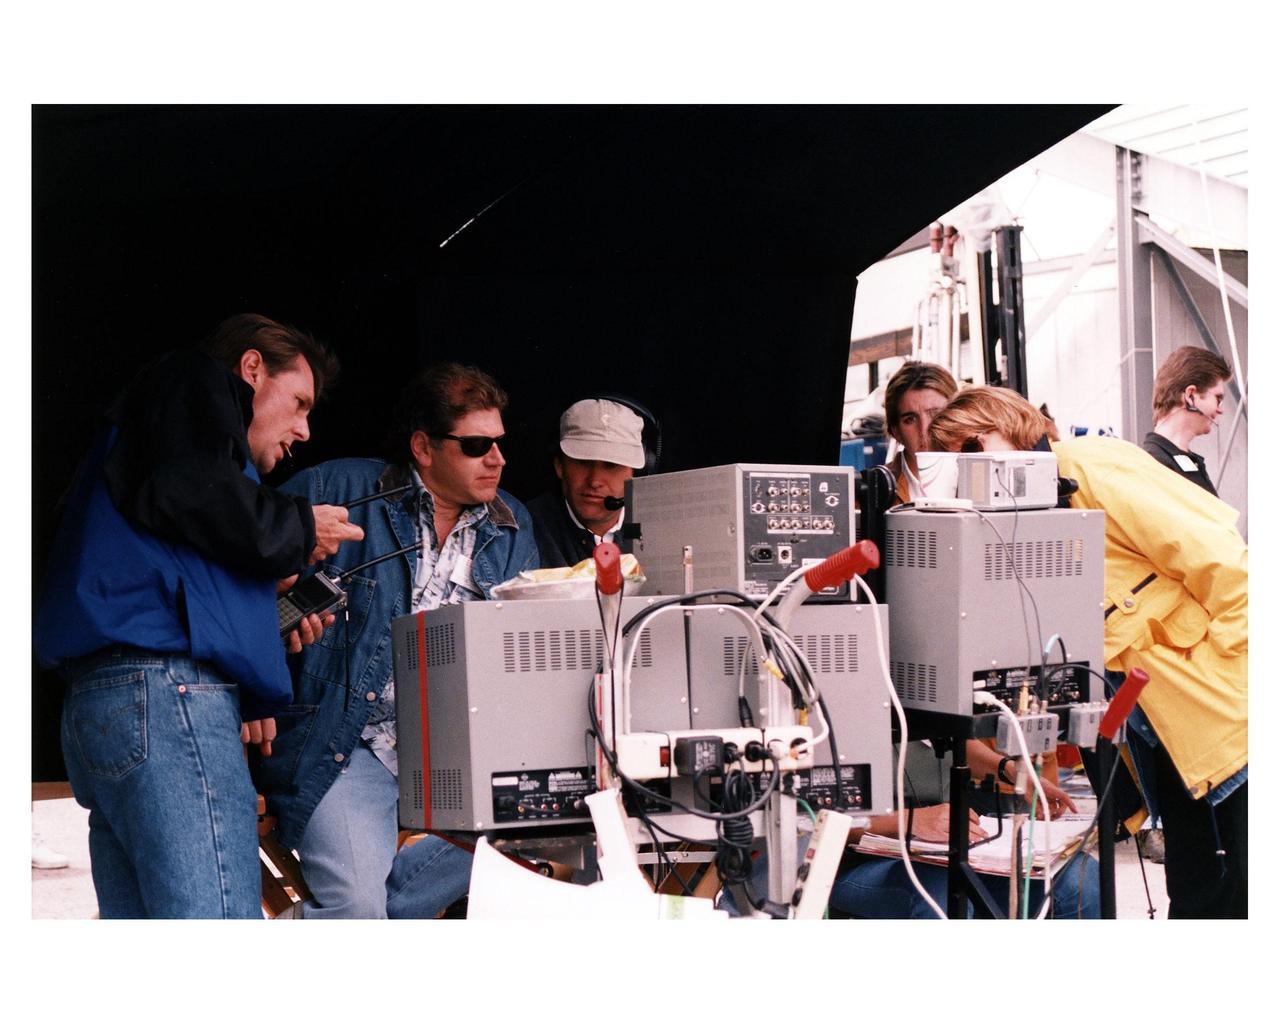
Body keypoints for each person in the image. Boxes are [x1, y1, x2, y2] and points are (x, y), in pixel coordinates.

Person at [34, 313, 363, 918]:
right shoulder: (193, 379)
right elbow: (194, 490)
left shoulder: (173, 446)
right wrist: (295, 527)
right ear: (251, 368)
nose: (305, 429)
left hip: (109, 699)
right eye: (298, 402)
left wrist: (263, 621)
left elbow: (179, 537)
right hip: (163, 692)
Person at [928, 385, 1247, 918]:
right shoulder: (1026, 510)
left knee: (1235, 889)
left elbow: (1222, 562)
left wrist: (1230, 669)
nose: (972, 469)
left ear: (1005, 422)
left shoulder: (1087, 466)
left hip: (1216, 713)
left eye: (973, 447)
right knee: (1197, 890)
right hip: (1162, 729)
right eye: (958, 463)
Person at [255, 362, 540, 918]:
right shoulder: (338, 489)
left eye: (501, 444)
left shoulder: (513, 525)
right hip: (349, 743)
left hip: (458, 753)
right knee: (358, 908)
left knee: (556, 825)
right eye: (478, 444)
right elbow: (236, 588)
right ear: (424, 447)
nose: (498, 460)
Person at [526, 397, 652, 567]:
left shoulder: (662, 527)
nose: (594, 481)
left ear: (633, 473)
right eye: (583, 462)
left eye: (611, 465)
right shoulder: (524, 528)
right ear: (559, 466)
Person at [1143, 345, 1232, 496]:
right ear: (1190, 396)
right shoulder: (1153, 466)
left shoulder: (1187, 462)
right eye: (1218, 398)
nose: (1220, 410)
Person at [881, 360, 959, 504]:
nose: (925, 429)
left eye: (935, 414)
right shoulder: (876, 490)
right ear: (896, 431)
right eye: (910, 419)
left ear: (955, 416)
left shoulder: (977, 476)